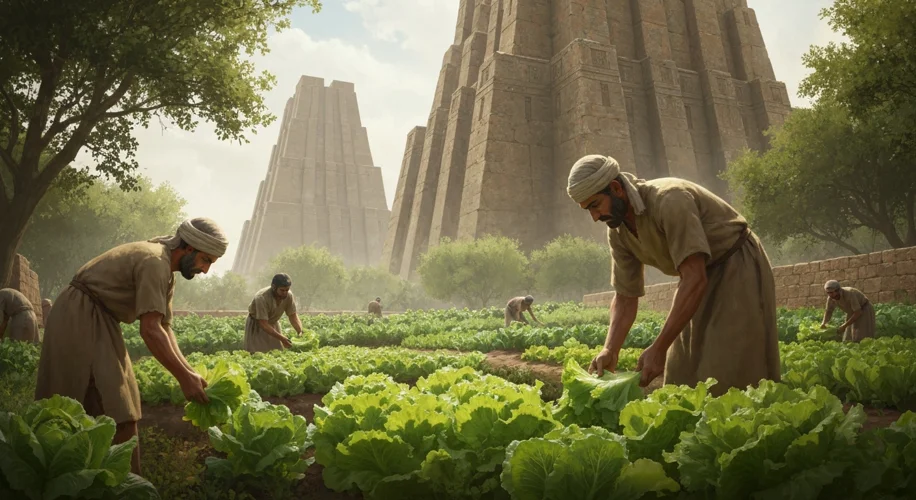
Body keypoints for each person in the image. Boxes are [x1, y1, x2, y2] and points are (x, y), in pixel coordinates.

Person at [567, 154, 780, 396]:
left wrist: (658, 348)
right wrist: (610, 349)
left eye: (595, 205)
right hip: (695, 279)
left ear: (616, 189)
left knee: (726, 373)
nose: (594, 217)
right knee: (681, 373)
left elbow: (695, 277)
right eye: (588, 210)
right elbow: (626, 296)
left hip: (736, 266)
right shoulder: (617, 231)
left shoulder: (669, 200)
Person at [35, 217, 229, 474]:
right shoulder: (155, 262)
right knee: (109, 404)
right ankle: (125, 486)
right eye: (205, 260)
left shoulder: (166, 271)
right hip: (79, 313)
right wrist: (183, 378)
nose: (205, 270)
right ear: (189, 248)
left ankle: (120, 484)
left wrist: (190, 372)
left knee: (114, 405)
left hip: (98, 317)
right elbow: (149, 330)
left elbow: (164, 328)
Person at [244, 273, 304, 353]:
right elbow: (263, 323)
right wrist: (282, 338)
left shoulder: (288, 296)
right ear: (274, 287)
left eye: (287, 290)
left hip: (273, 323)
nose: (285, 293)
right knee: (257, 353)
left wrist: (300, 331)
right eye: (282, 290)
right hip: (257, 325)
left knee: (277, 351)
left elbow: (293, 316)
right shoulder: (262, 297)